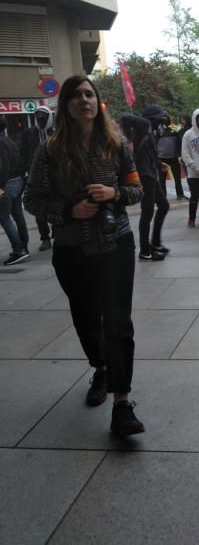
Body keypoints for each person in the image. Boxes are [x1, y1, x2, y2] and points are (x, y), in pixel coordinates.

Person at [24, 75, 145, 437]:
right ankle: (100, 367)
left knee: (119, 323)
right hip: (72, 250)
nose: (84, 100)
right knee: (87, 319)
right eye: (76, 96)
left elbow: (137, 188)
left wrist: (114, 194)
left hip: (116, 245)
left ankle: (122, 403)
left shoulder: (117, 144)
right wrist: (67, 212)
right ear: (66, 106)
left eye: (89, 94)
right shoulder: (49, 150)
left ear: (98, 102)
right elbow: (32, 200)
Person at [120, 106, 170, 261]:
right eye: (160, 119)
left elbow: (148, 152)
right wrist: (128, 139)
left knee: (163, 205)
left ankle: (155, 242)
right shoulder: (145, 125)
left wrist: (158, 163)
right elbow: (125, 118)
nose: (162, 123)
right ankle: (145, 250)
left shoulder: (149, 132)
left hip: (149, 173)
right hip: (144, 175)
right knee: (147, 212)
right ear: (153, 118)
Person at [19, 106, 54, 250]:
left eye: (43, 116)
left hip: (55, 175)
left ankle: (58, 233)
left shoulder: (57, 132)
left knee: (56, 205)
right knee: (39, 208)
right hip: (35, 175)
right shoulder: (28, 134)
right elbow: (23, 153)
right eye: (37, 116)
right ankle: (44, 237)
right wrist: (26, 171)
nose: (40, 119)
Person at [0, 116, 29, 265]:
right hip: (17, 181)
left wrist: (1, 186)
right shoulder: (8, 141)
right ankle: (23, 247)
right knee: (17, 215)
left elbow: (2, 166)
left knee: (4, 217)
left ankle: (19, 249)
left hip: (7, 184)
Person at [157, 115, 187, 201]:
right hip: (162, 158)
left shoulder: (175, 128)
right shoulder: (159, 129)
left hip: (174, 157)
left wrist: (179, 154)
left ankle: (180, 194)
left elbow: (181, 140)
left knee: (177, 178)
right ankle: (163, 196)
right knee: (162, 180)